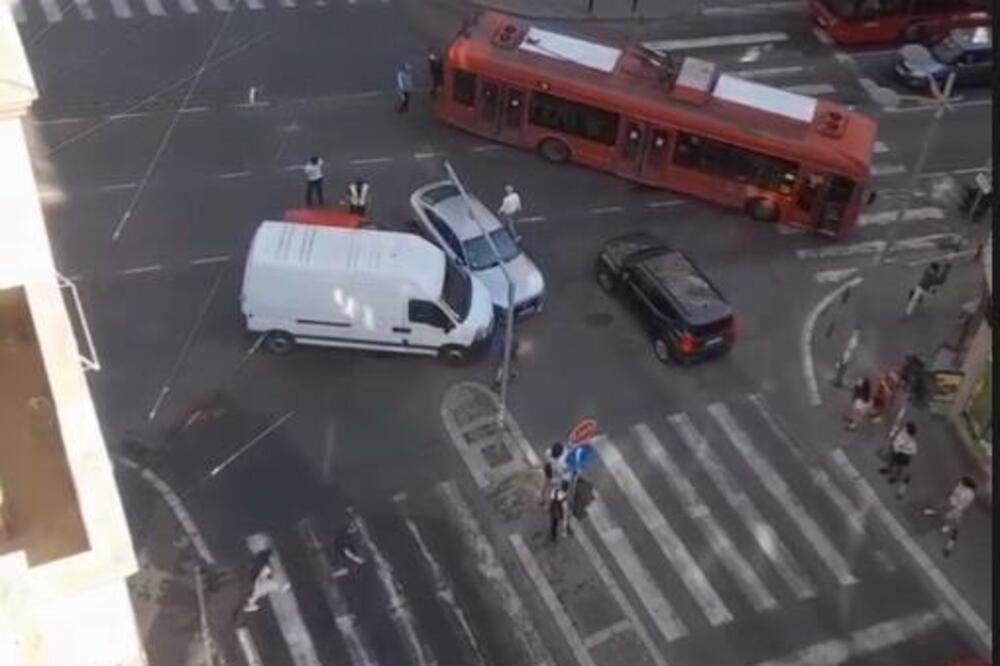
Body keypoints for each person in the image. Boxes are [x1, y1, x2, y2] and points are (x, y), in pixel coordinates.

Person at [923, 476, 977, 557]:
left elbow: (963, 504)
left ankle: (947, 527)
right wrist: (952, 495)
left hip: (956, 507)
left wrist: (956, 509)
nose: (959, 483)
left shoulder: (969, 494)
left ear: (966, 485)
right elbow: (954, 492)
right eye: (960, 483)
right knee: (942, 508)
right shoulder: (961, 487)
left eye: (961, 483)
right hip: (951, 501)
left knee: (951, 518)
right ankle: (934, 512)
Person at [880, 421, 917, 498]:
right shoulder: (902, 433)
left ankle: (896, 480)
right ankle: (889, 470)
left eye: (905, 428)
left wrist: (903, 449)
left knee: (900, 469)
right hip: (895, 451)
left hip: (903, 456)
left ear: (908, 432)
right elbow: (896, 438)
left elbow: (913, 452)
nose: (903, 428)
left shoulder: (912, 442)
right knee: (891, 462)